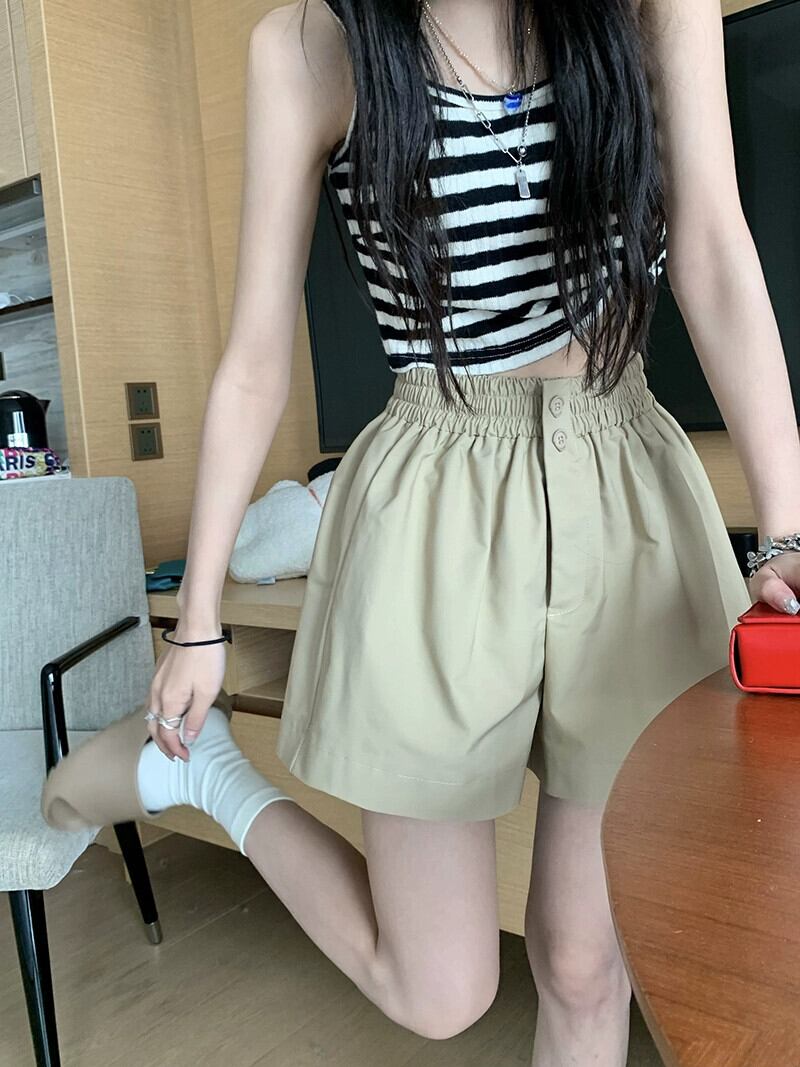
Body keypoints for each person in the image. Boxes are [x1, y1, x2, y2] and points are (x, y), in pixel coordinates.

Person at [43, 1, 800, 1063]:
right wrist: (200, 617)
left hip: (625, 474)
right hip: (434, 488)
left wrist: (784, 532)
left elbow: (712, 251)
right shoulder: (312, 47)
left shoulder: (647, 12)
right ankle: (205, 772)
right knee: (438, 987)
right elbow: (256, 354)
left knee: (589, 965)